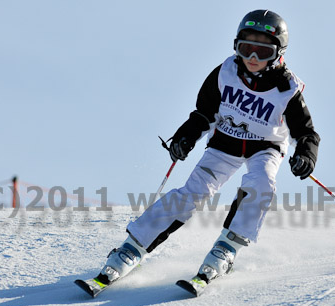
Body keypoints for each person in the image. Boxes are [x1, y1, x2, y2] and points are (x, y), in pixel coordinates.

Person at [97, 9, 320, 291]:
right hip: (225, 141)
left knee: (261, 184)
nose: (252, 57)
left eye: (262, 51)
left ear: (277, 53)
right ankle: (132, 247)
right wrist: (185, 138)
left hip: (265, 146)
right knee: (192, 193)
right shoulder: (225, 72)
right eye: (245, 48)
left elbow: (307, 132)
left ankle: (227, 249)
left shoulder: (287, 88)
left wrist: (306, 154)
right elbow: (203, 114)